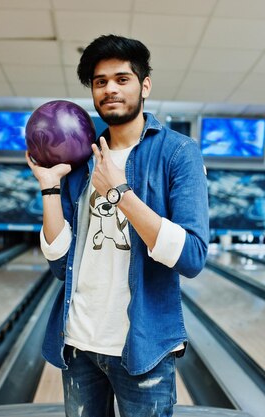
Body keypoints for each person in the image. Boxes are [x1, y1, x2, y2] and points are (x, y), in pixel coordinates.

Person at [26, 34, 209, 417]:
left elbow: (192, 257)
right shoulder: (80, 156)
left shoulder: (178, 152)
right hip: (77, 343)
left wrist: (120, 192)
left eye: (122, 79)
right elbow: (61, 265)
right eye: (100, 81)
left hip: (142, 348)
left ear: (145, 85)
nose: (110, 88)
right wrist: (49, 187)